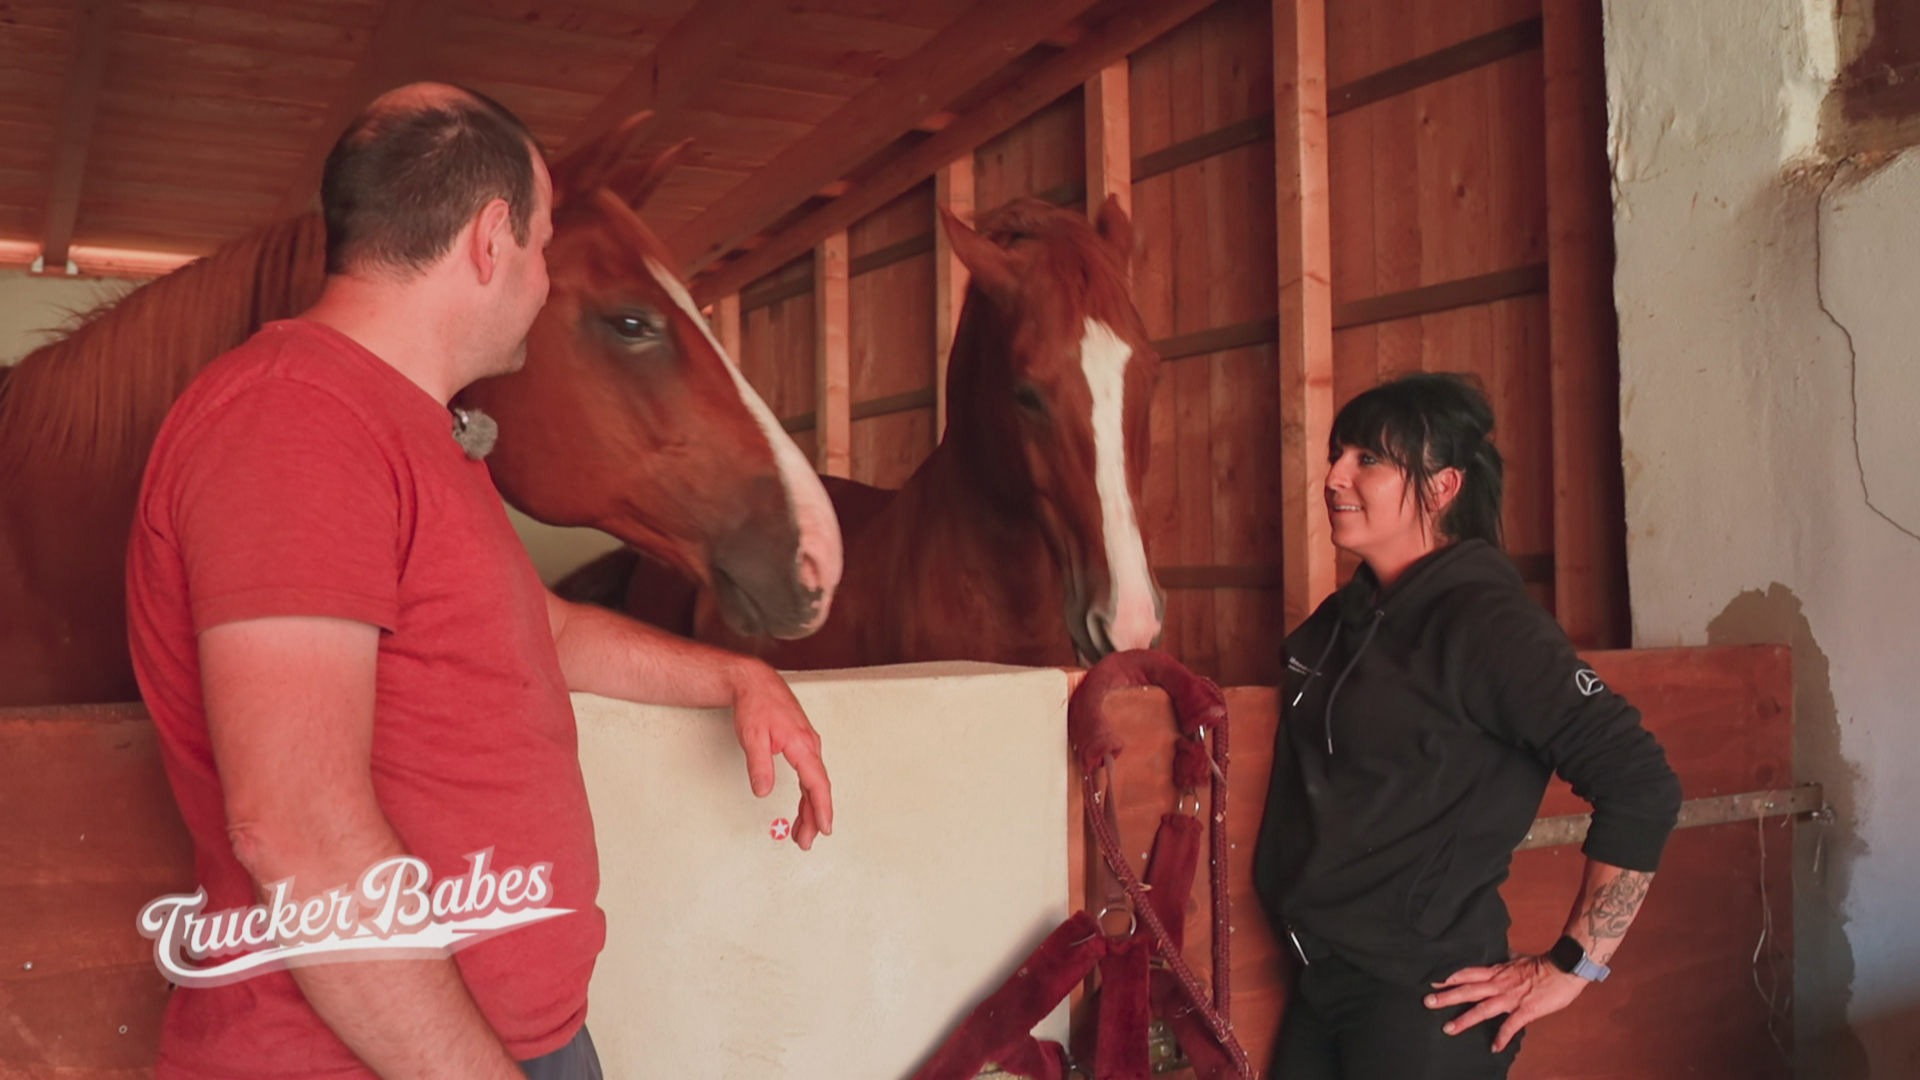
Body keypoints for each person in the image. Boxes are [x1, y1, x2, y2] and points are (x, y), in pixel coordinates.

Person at [125, 84, 832, 1080]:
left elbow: (536, 629)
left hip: (509, 1040)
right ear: (491, 240)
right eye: (544, 247)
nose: (545, 281)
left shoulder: (413, 432)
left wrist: (734, 678)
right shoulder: (293, 425)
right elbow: (293, 826)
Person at [1251, 373, 1682, 1079]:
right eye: (1337, 454)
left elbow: (1642, 783)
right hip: (1319, 985)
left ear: (1444, 487)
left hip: (1423, 1004)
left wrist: (1573, 966)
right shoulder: (1342, 622)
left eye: (1368, 460)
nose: (1333, 477)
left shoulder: (1490, 627)